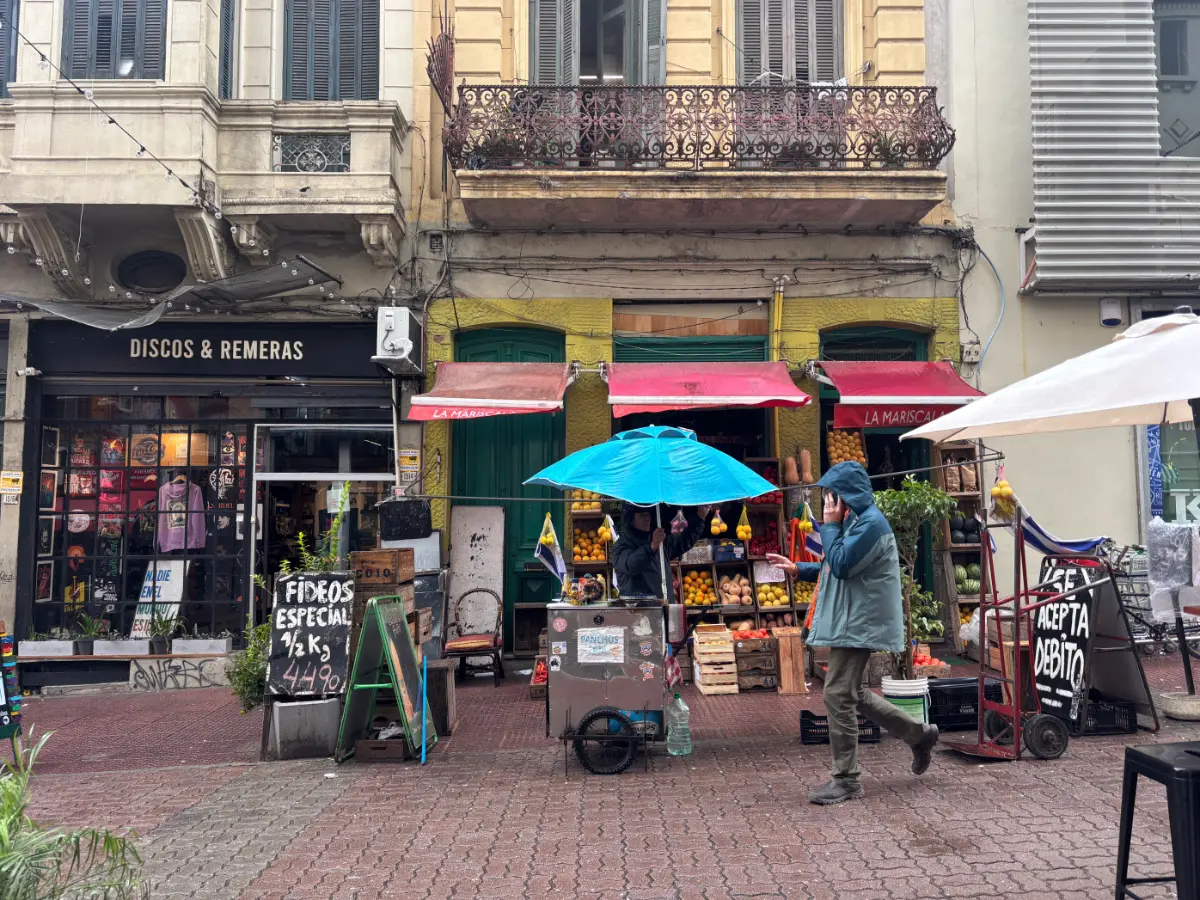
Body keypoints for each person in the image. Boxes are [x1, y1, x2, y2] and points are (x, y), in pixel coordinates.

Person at [766, 461, 939, 805]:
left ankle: (846, 779)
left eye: (832, 496)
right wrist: (799, 568)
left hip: (860, 622)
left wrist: (829, 526)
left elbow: (843, 564)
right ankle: (919, 735)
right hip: (853, 620)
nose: (828, 503)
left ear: (847, 496)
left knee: (837, 694)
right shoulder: (857, 521)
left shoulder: (871, 524)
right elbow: (835, 563)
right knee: (851, 693)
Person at [612, 504, 709, 600]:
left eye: (648, 514)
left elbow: (684, 541)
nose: (647, 518)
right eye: (642, 515)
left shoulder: (660, 541)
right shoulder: (621, 545)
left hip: (665, 604)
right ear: (630, 518)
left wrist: (700, 518)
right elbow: (630, 565)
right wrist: (651, 547)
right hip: (639, 606)